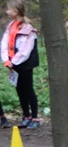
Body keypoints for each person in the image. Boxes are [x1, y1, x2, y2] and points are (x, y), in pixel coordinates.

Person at [2, 0, 40, 129]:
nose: (7, 12)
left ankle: (35, 117)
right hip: (13, 63)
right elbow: (5, 43)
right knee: (19, 90)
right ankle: (26, 116)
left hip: (25, 63)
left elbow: (26, 50)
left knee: (28, 89)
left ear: (16, 11)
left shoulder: (28, 29)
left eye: (9, 9)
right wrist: (6, 59)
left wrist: (14, 62)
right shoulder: (11, 26)